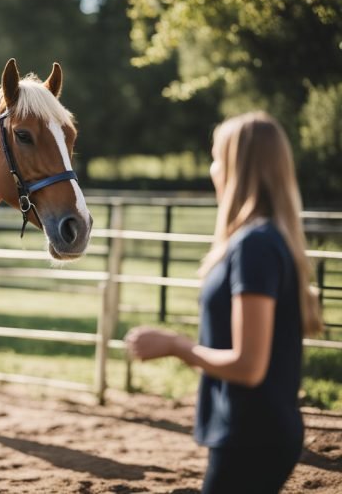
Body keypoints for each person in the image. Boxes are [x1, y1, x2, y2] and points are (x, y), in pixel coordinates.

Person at [124, 111, 323, 494]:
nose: (212, 169)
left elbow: (248, 367)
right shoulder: (259, 240)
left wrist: (174, 346)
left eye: (216, 158)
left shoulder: (255, 245)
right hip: (252, 431)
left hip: (252, 435)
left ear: (235, 167)